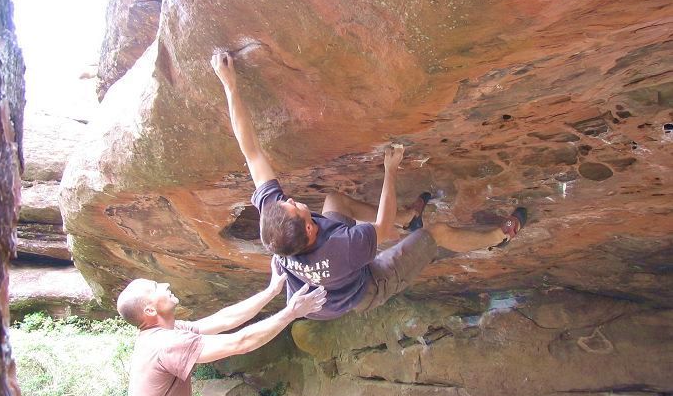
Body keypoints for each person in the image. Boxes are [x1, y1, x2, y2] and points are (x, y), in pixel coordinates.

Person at [210, 51, 527, 320]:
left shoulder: (278, 225)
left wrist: (230, 87)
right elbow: (382, 227)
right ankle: (498, 237)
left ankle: (409, 217)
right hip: (366, 288)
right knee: (436, 233)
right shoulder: (345, 247)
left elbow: (251, 152)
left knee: (336, 200)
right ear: (308, 230)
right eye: (294, 207)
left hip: (323, 291)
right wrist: (391, 170)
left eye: (286, 202)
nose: (291, 200)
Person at [116, 258, 326, 396]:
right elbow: (240, 343)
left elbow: (224, 319)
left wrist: (271, 291)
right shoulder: (166, 343)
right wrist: (290, 313)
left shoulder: (165, 333)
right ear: (150, 311)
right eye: (155, 288)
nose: (165, 285)